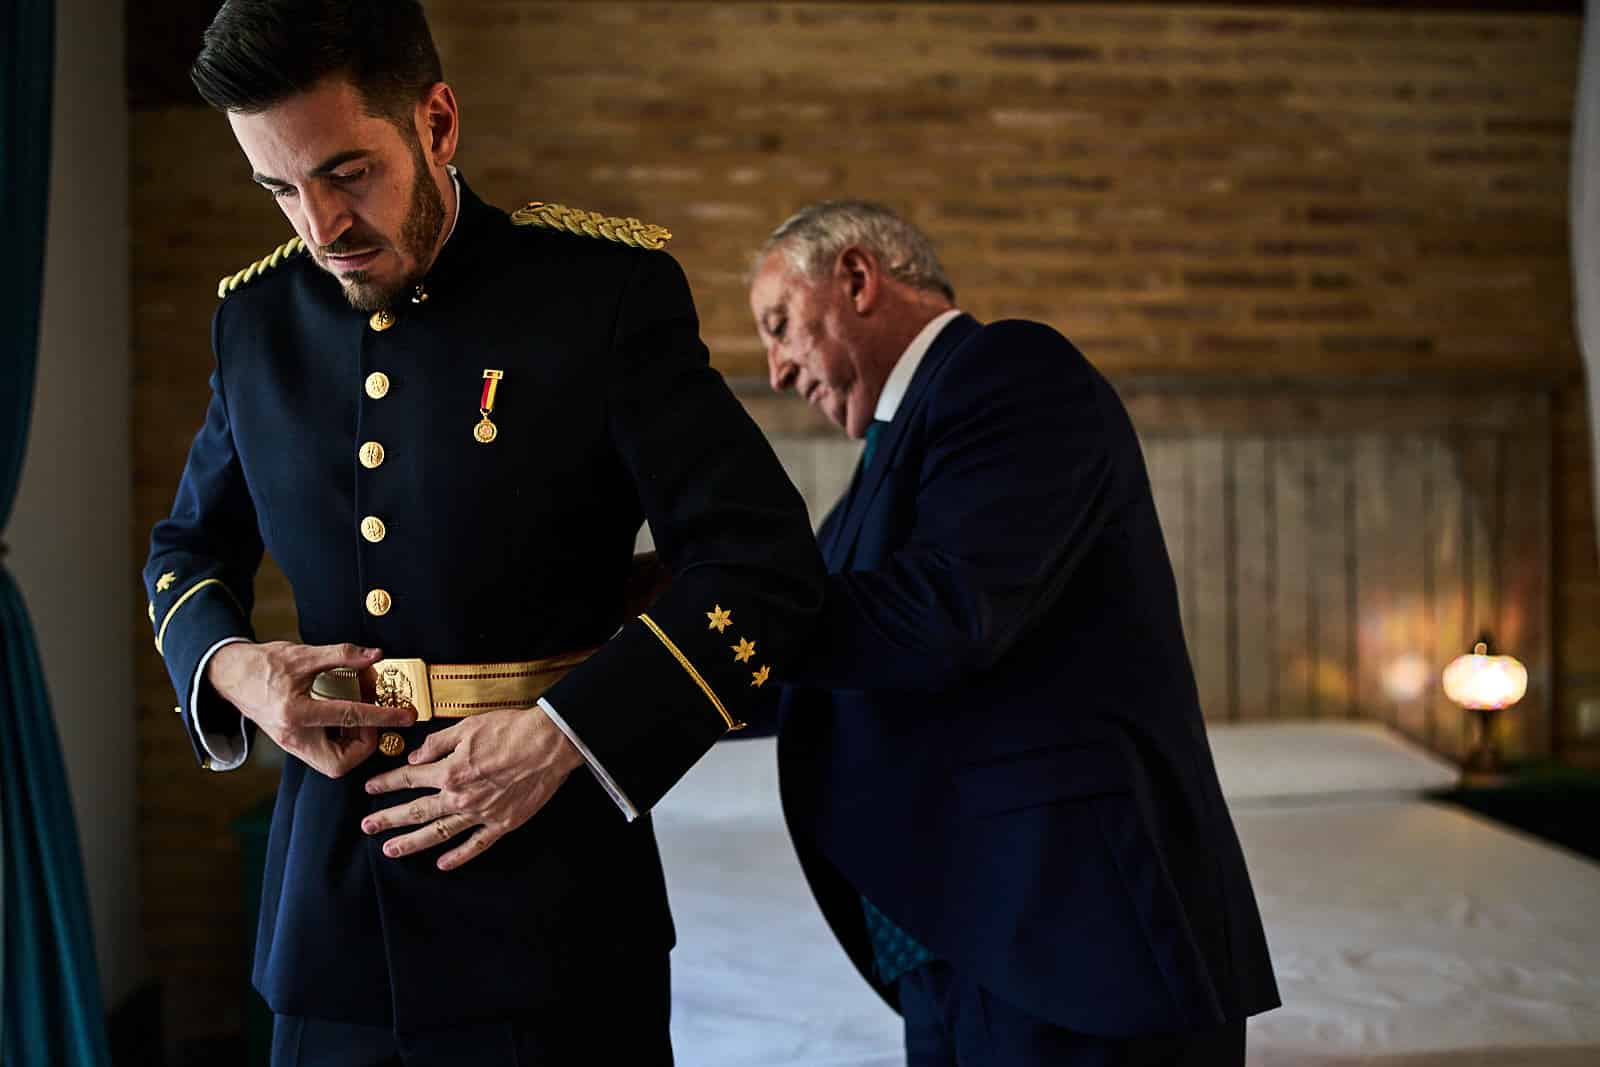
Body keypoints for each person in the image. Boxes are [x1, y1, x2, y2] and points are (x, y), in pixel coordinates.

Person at [144, 2, 825, 1063]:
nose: (319, 229)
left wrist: (565, 731)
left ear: (439, 123)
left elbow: (763, 564)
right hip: (332, 923)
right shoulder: (256, 321)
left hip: (556, 915)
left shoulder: (599, 295)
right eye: (279, 189)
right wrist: (237, 670)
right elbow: (184, 550)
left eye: (346, 173)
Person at [749, 201, 1280, 1066]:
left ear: (855, 278)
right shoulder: (875, 477)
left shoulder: (1009, 372)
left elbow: (946, 612)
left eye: (779, 325)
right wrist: (590, 685)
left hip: (1072, 940)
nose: (774, 370)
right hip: (956, 941)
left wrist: (717, 608)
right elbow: (791, 667)